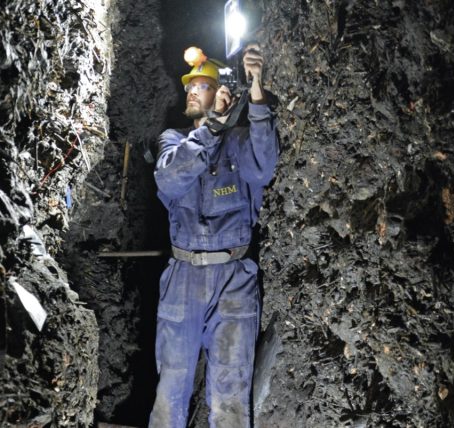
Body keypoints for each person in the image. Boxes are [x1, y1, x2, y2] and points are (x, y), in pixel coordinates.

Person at [149, 43, 278, 427]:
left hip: (233, 279)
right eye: (190, 85)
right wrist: (211, 130)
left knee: (230, 396)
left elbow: (265, 165)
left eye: (203, 85)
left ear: (222, 93)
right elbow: (170, 180)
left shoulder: (239, 143)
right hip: (183, 276)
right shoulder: (173, 141)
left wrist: (255, 88)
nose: (192, 90)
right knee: (169, 392)